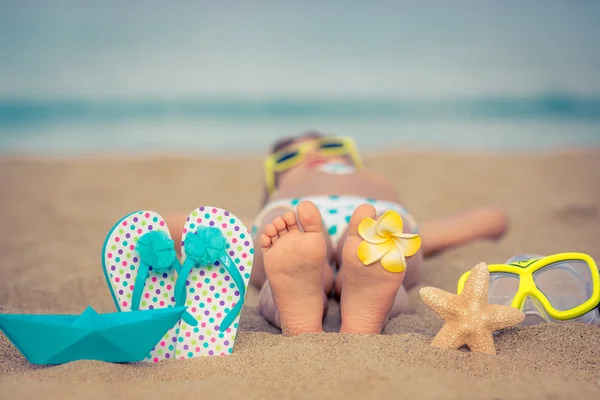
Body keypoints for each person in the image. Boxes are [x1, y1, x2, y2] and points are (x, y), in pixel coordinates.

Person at [168, 132, 508, 336]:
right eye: (290, 156)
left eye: (329, 147)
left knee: (384, 237)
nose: (313, 155)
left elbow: (477, 224)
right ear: (273, 182)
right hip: (296, 214)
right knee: (282, 234)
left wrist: (490, 222)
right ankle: (311, 301)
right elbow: (189, 223)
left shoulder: (359, 186)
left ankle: (337, 299)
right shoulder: (275, 208)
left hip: (376, 218)